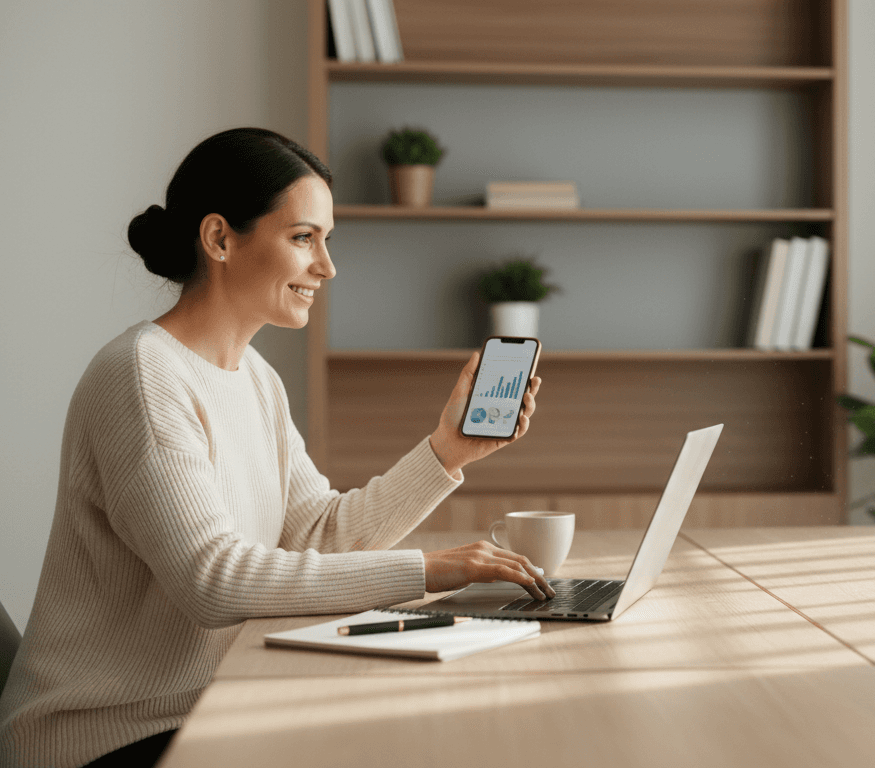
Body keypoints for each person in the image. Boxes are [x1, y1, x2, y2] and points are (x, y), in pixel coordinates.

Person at [0, 127, 554, 768]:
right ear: (220, 239)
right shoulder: (142, 374)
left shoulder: (255, 377)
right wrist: (430, 570)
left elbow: (318, 531)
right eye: (303, 238)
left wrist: (447, 451)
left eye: (327, 240)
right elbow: (212, 580)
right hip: (107, 736)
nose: (327, 266)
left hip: (208, 709)